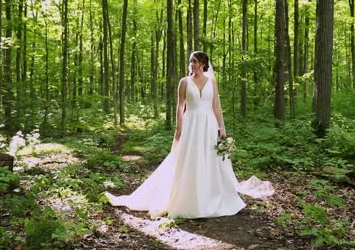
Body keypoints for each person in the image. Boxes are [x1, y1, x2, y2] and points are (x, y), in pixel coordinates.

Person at [106, 51, 273, 219]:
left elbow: (216, 106)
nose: (193, 64)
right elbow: (180, 107)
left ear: (203, 64)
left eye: (196, 62)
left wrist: (222, 128)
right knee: (190, 158)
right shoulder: (184, 82)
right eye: (191, 61)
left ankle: (210, 197)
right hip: (191, 124)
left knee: (209, 158)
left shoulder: (212, 82)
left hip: (209, 124)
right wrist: (179, 129)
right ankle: (188, 199)